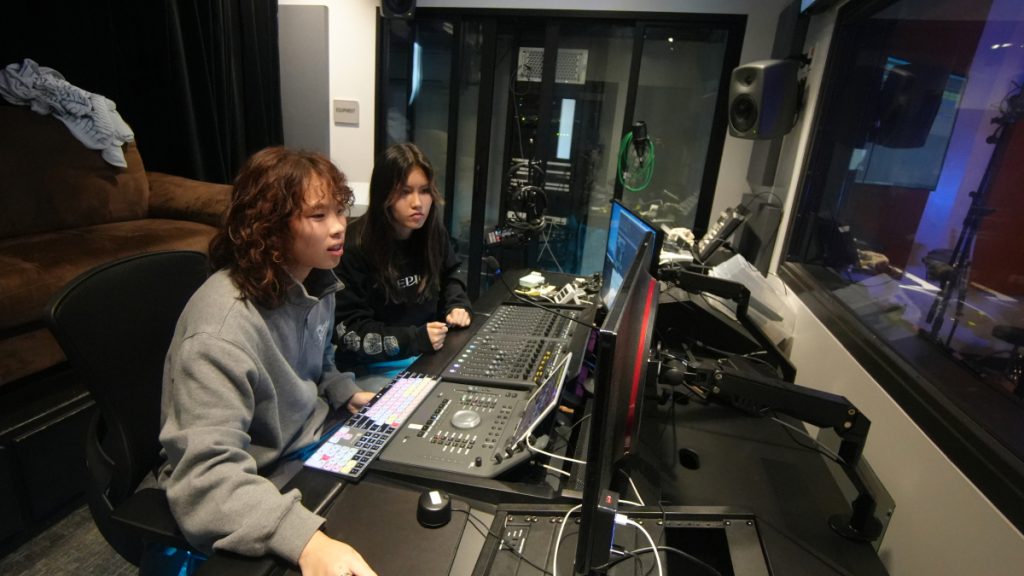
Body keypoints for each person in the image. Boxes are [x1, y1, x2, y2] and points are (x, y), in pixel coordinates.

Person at [156, 147, 378, 576]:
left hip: (308, 446)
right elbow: (205, 478)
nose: (339, 228)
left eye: (339, 211)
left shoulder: (314, 281)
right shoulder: (221, 331)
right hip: (257, 480)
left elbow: (319, 357)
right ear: (271, 228)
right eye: (318, 216)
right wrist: (307, 543)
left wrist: (343, 391)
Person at [334, 143, 471, 368]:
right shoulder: (352, 248)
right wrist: (415, 339)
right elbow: (351, 332)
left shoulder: (432, 233)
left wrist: (457, 305)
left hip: (427, 355)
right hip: (370, 368)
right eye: (405, 192)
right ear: (384, 194)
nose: (417, 203)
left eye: (425, 191)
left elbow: (451, 272)